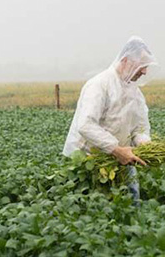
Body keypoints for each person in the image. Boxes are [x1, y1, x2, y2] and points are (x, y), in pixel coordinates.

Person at [62, 36, 157, 201]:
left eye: (146, 67)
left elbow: (140, 127)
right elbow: (86, 125)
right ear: (125, 61)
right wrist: (116, 149)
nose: (144, 71)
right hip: (88, 159)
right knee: (91, 205)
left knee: (130, 202)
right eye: (141, 66)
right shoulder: (99, 85)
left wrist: (144, 143)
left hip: (123, 158)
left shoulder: (135, 93)